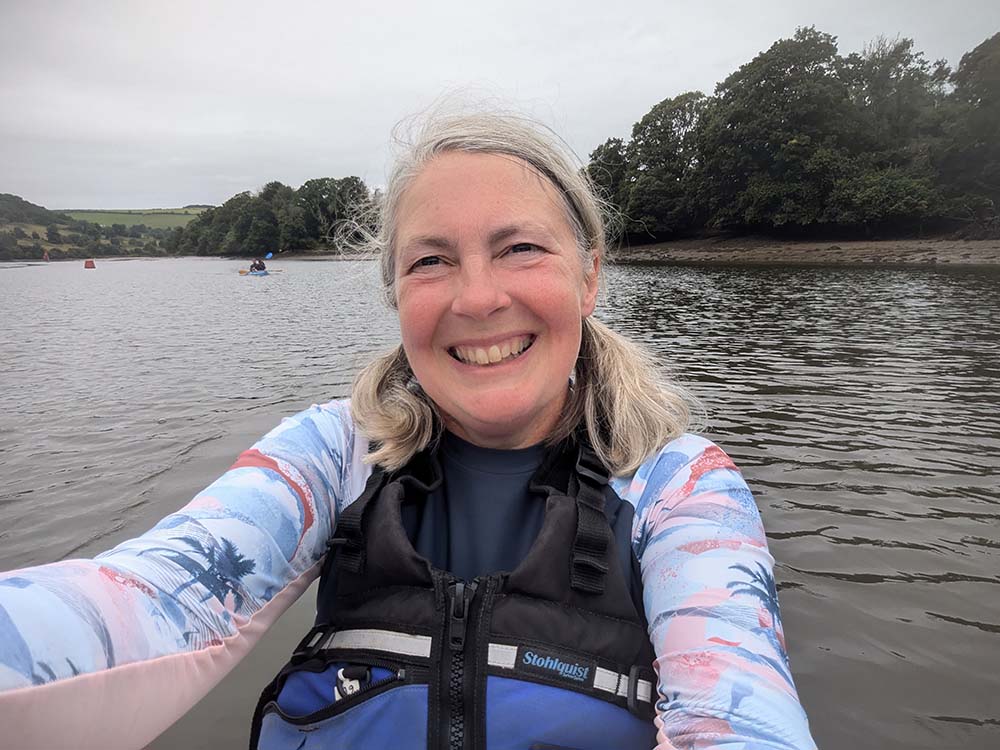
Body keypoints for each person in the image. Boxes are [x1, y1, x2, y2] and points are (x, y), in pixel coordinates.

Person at [0, 112, 816, 750]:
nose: (476, 298)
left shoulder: (680, 488)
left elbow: (737, 707)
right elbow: (148, 598)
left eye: (520, 248)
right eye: (431, 261)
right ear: (397, 292)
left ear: (590, 273)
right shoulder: (334, 455)